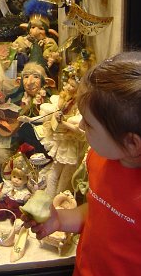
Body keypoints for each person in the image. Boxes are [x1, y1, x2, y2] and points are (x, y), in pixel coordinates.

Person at [23, 52, 141, 275]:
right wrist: (59, 220)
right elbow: (99, 212)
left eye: (89, 124)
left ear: (132, 143)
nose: (80, 127)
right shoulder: (100, 158)